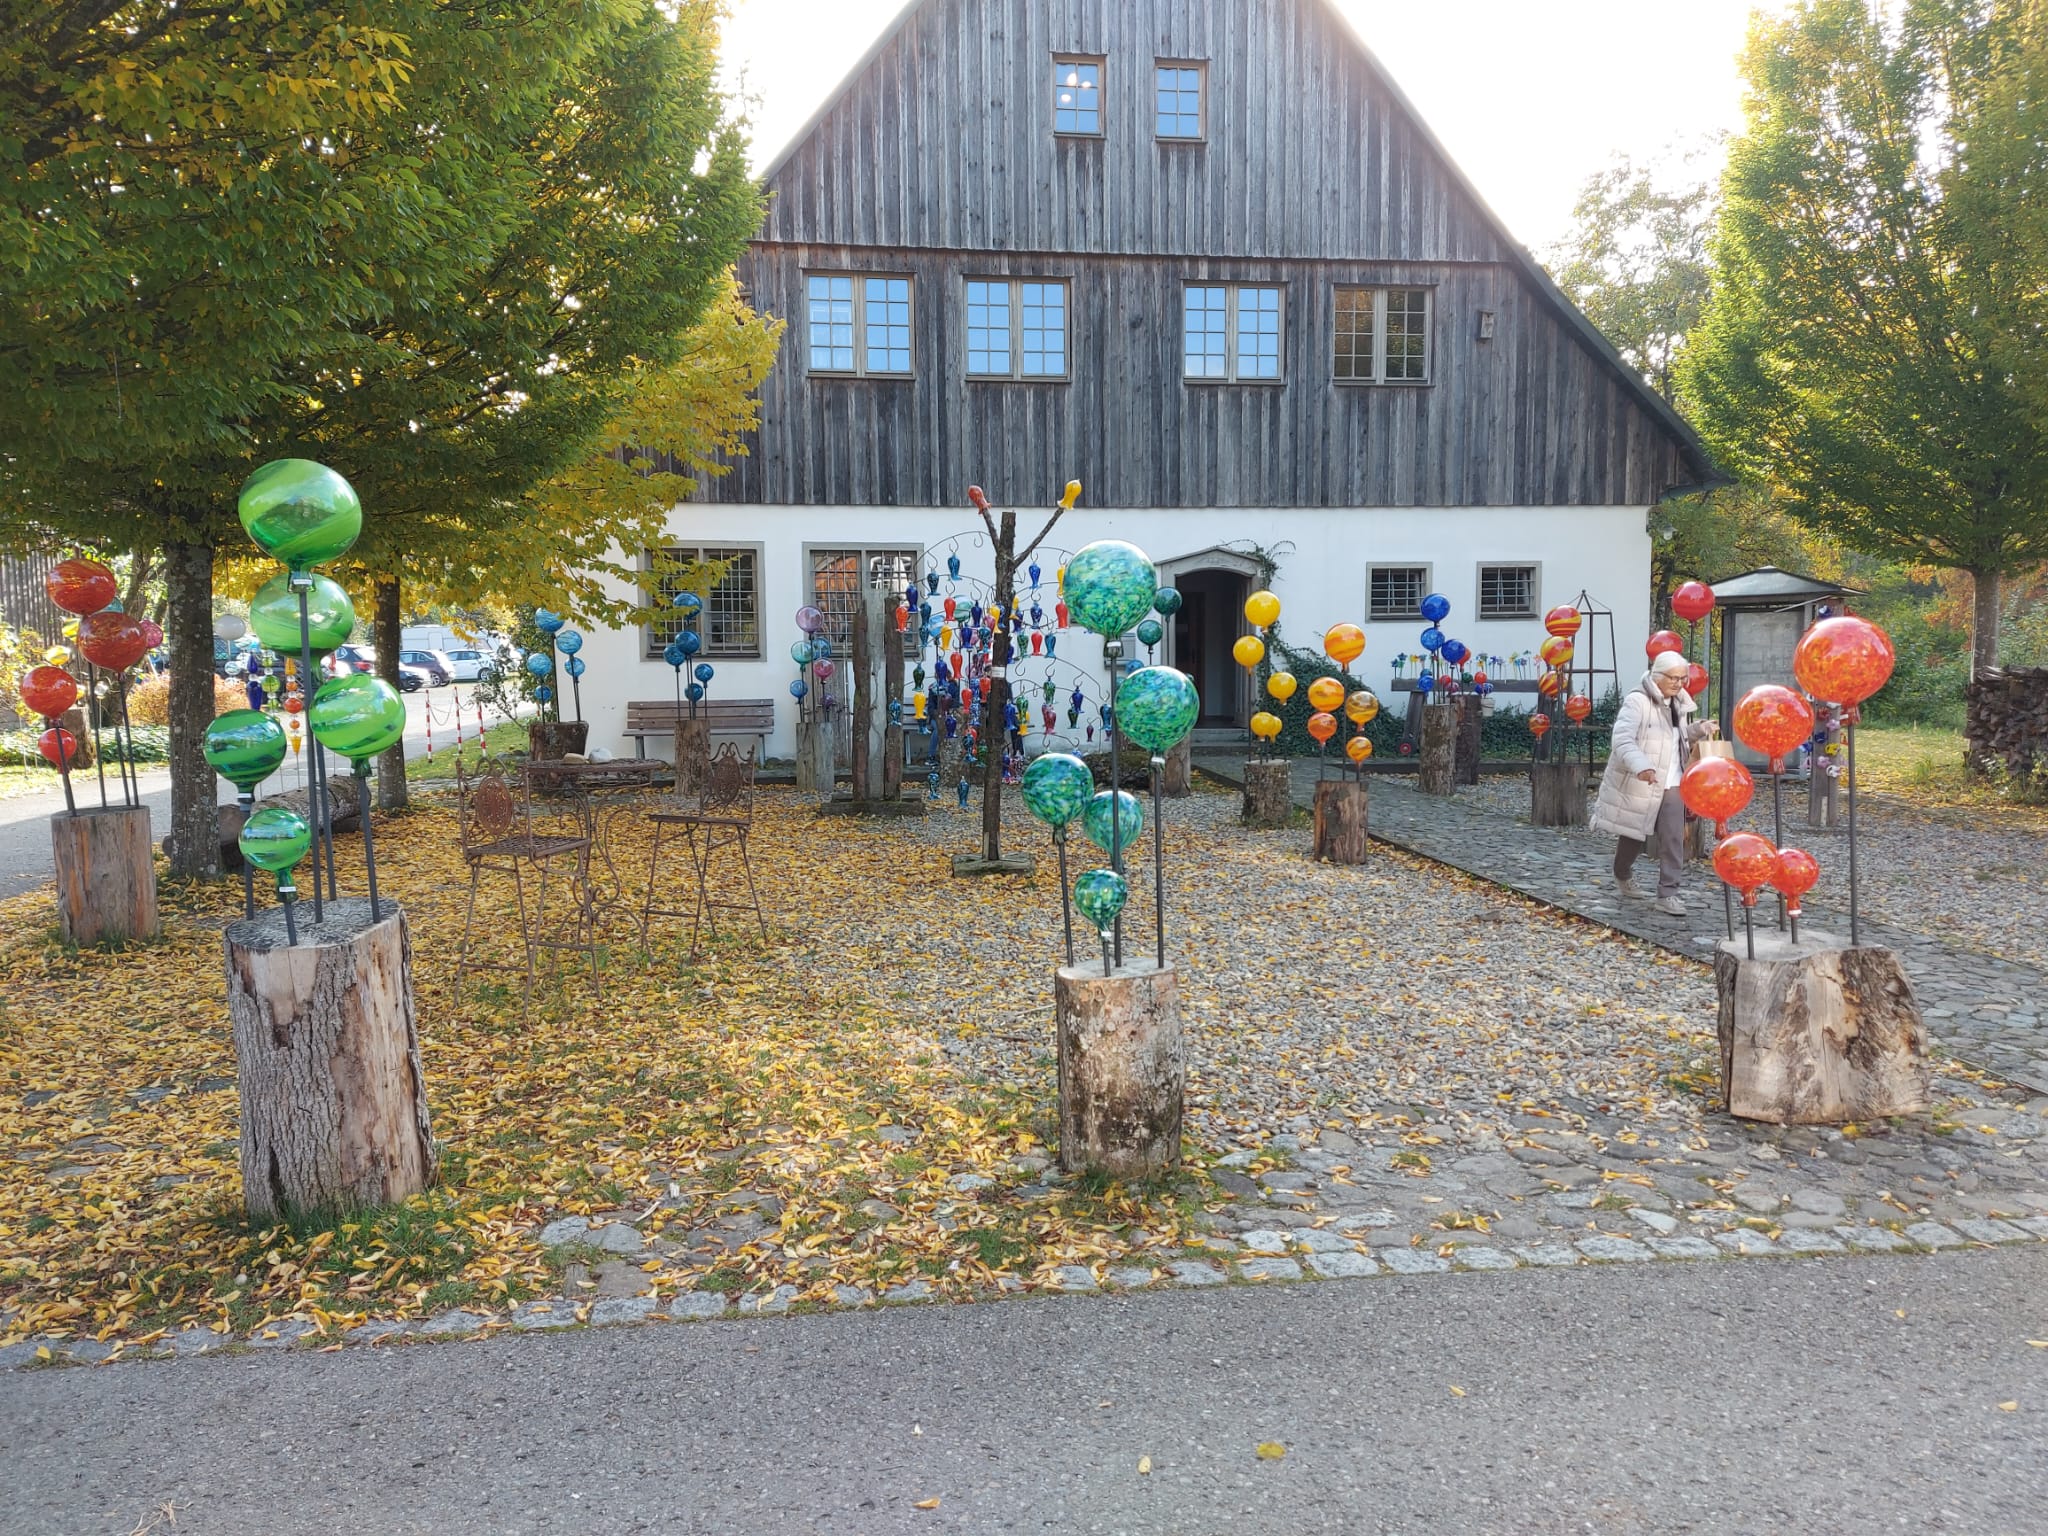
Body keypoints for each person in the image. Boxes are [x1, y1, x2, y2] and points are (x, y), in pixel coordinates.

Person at [1591, 649, 1718, 916]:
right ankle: (1622, 873)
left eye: (1682, 678)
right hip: (1644, 779)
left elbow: (1675, 737)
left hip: (1672, 780)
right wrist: (1642, 767)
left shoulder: (1678, 702)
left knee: (1673, 838)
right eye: (1673, 678)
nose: (1679, 683)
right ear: (1657, 675)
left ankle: (1668, 893)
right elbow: (1622, 740)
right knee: (1633, 834)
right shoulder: (1637, 701)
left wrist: (1698, 730)